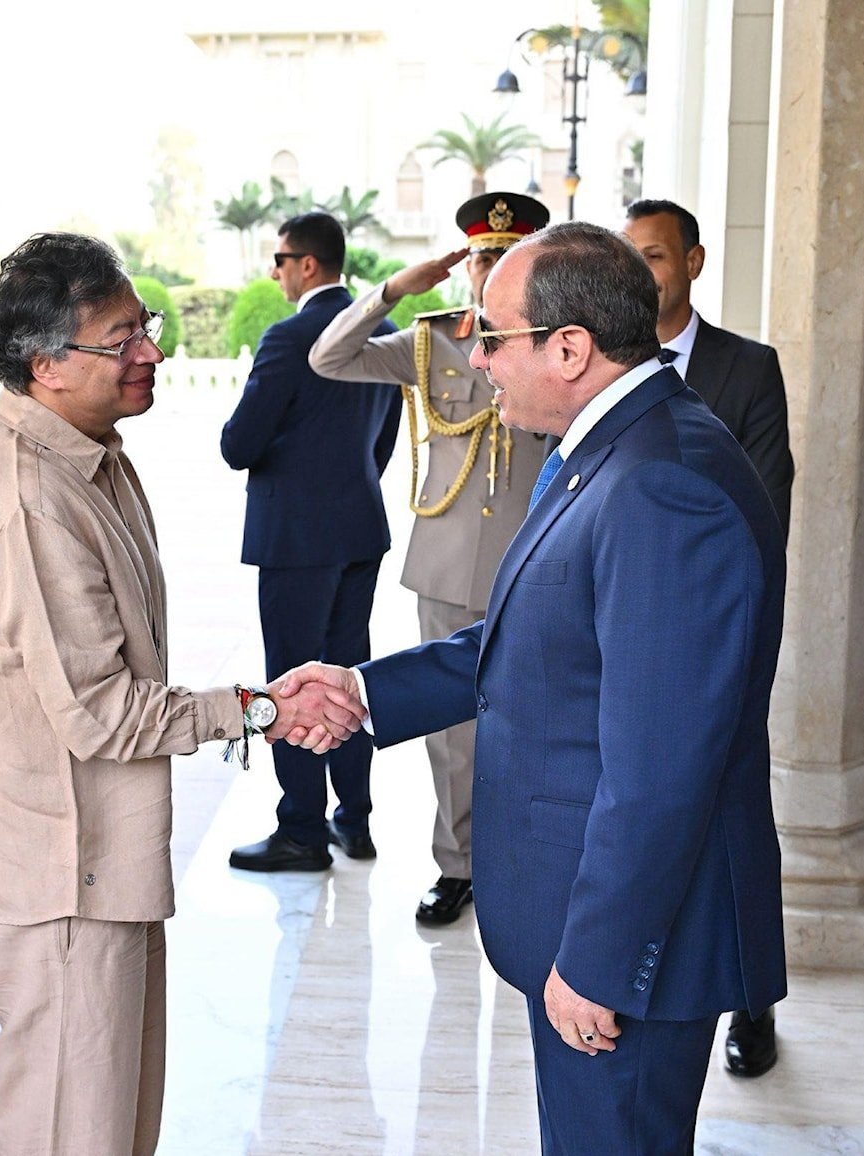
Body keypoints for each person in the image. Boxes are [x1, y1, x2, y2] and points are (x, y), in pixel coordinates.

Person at [280, 222, 788, 1155]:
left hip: (630, 954)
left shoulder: (661, 485)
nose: (475, 357)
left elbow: (661, 769)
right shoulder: (611, 446)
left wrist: (599, 960)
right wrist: (363, 690)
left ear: (569, 347)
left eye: (492, 337)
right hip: (584, 921)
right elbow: (532, 642)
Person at [0, 232, 364, 1156]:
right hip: (58, 871)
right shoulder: (32, 501)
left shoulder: (88, 449)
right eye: (120, 339)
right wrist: (261, 708)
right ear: (45, 364)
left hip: (98, 855)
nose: (152, 353)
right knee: (70, 1127)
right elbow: (103, 711)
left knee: (118, 1120)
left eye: (147, 327)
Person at [309, 191, 550, 925]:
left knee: (537, 722)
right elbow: (329, 357)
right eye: (482, 257)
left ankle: (530, 862)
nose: (489, 270)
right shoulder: (430, 340)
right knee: (451, 734)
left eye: (507, 258)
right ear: (464, 265)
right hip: (445, 563)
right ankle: (458, 866)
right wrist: (391, 290)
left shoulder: (560, 341)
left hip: (533, 563)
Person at [623, 197, 794, 1077]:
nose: (641, 273)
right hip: (629, 640)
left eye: (653, 256)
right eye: (629, 258)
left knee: (731, 814)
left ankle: (752, 998)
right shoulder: (607, 367)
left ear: (693, 261)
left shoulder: (748, 369)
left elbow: (765, 512)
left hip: (719, 642)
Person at [221, 211, 402, 873]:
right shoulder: (382, 332)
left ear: (307, 264)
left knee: (294, 682)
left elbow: (239, 446)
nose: (273, 271)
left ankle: (301, 829)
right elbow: (381, 443)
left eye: (279, 258)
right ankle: (354, 821)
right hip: (360, 527)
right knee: (351, 679)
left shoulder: (289, 337)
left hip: (297, 536)